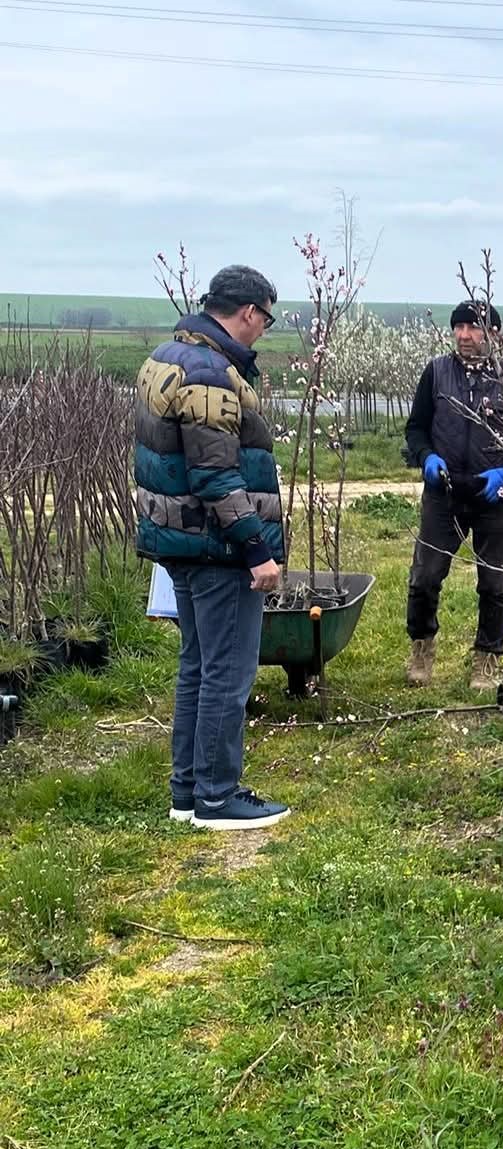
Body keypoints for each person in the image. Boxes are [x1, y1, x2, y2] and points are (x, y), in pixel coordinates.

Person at [134, 265, 290, 831]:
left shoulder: (168, 355)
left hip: (181, 539)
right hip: (215, 546)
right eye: (265, 320)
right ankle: (218, 797)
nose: (263, 332)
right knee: (228, 668)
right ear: (249, 312)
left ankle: (187, 792)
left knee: (198, 664)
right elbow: (215, 476)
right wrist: (256, 550)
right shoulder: (208, 375)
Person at [403, 299, 503, 690]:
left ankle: (487, 657)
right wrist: (426, 457)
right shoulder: (436, 373)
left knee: (495, 581)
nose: (465, 335)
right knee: (426, 575)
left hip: (493, 496)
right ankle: (422, 647)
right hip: (443, 492)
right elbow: (416, 428)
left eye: (474, 327)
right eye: (459, 327)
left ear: (494, 333)